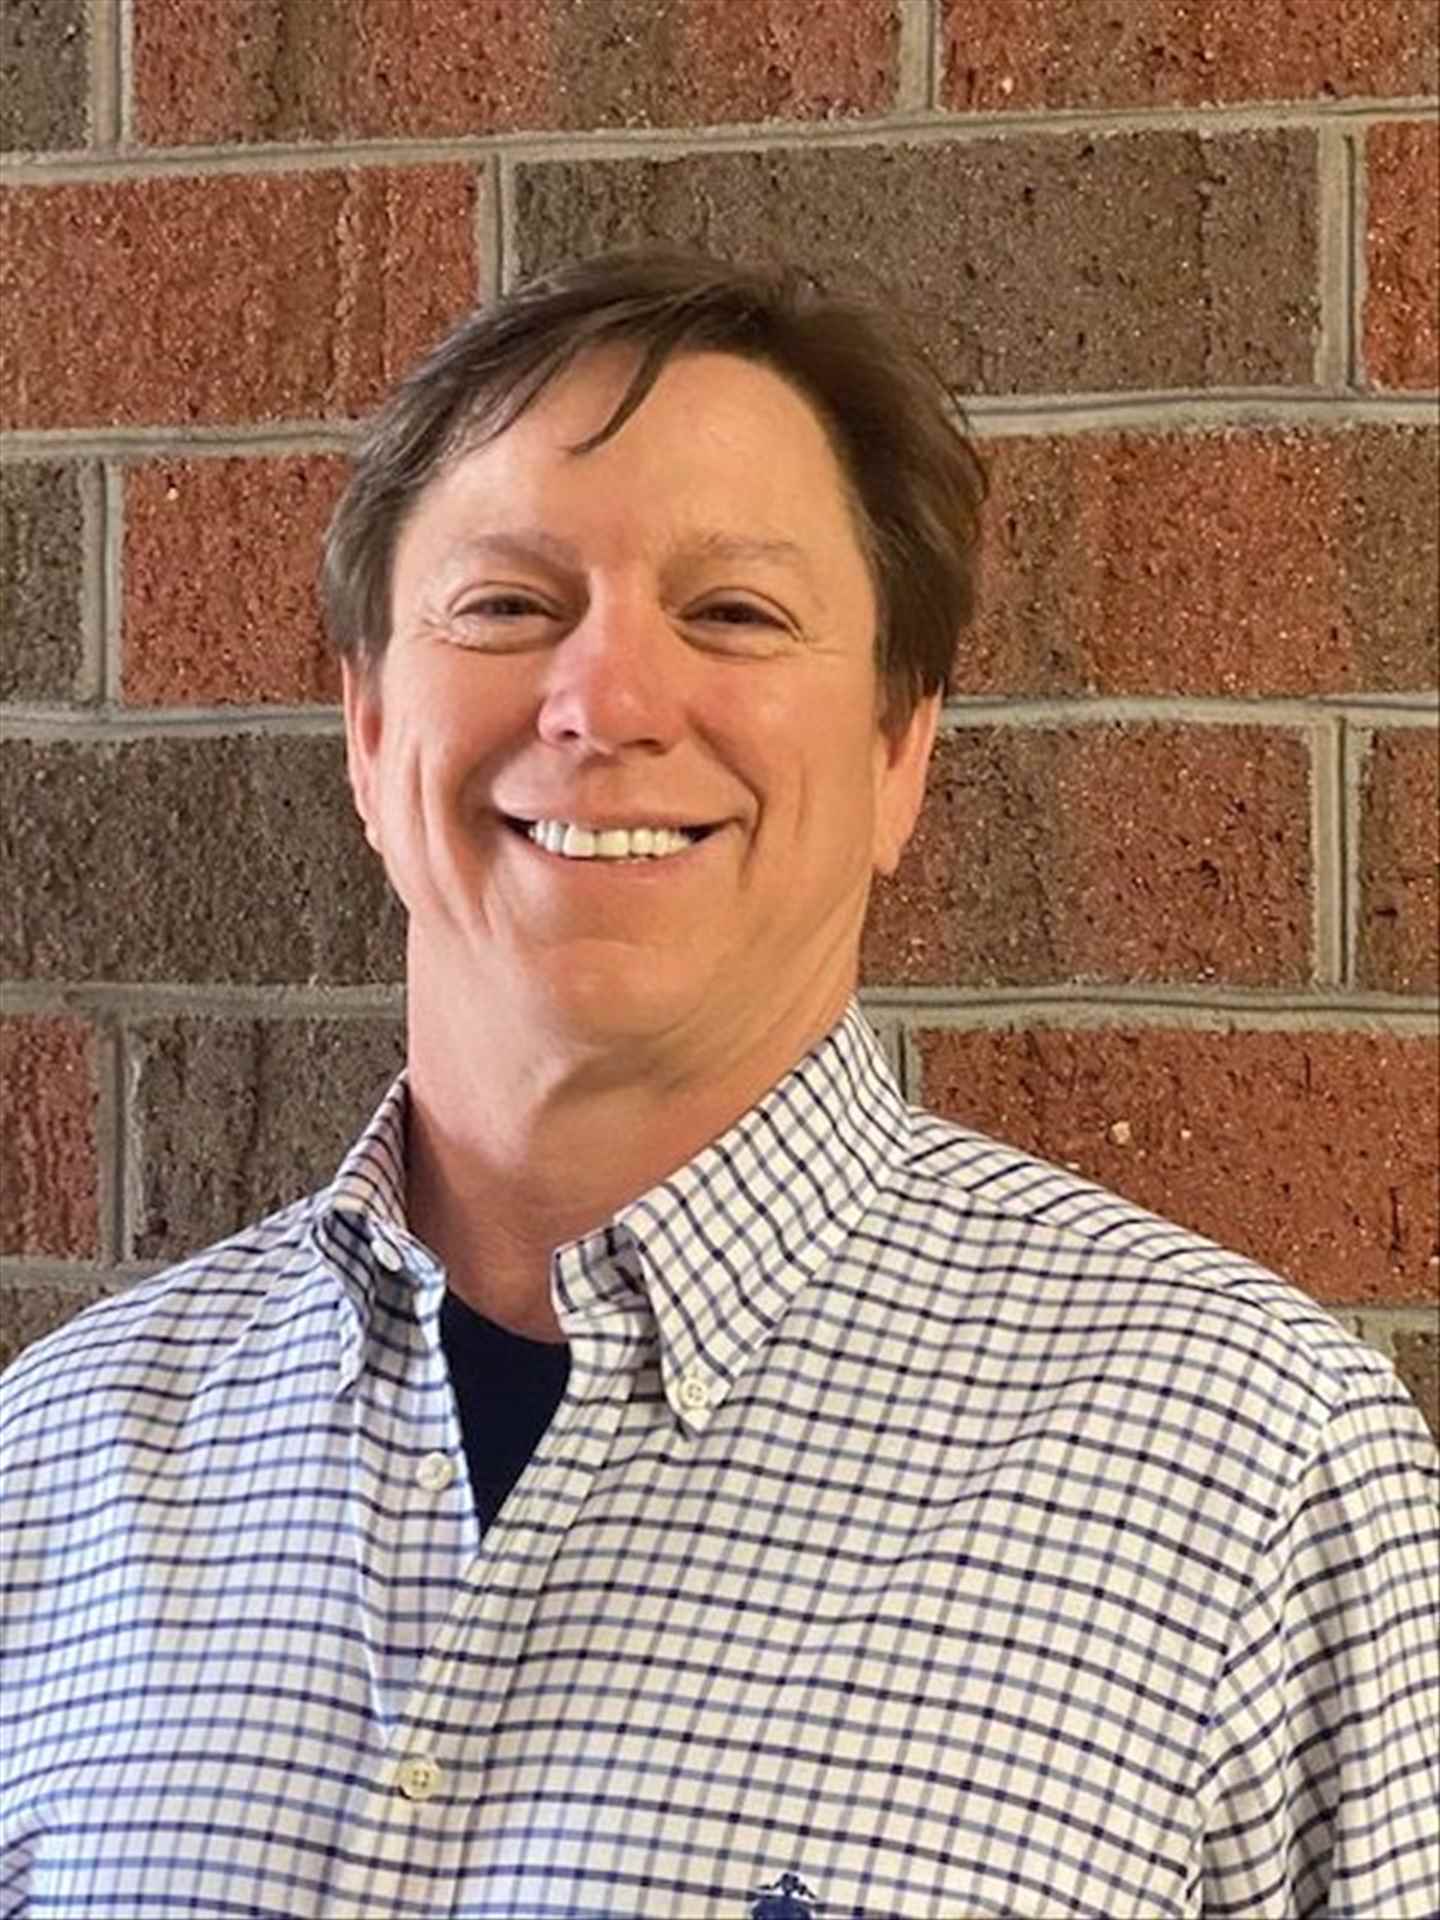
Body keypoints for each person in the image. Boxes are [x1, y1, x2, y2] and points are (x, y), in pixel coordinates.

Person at [1, 251, 1435, 1920]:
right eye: (508, 607)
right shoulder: (57, 1463)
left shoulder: (1257, 1474)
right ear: (371, 729)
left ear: (899, 753)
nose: (606, 702)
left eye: (735, 614)